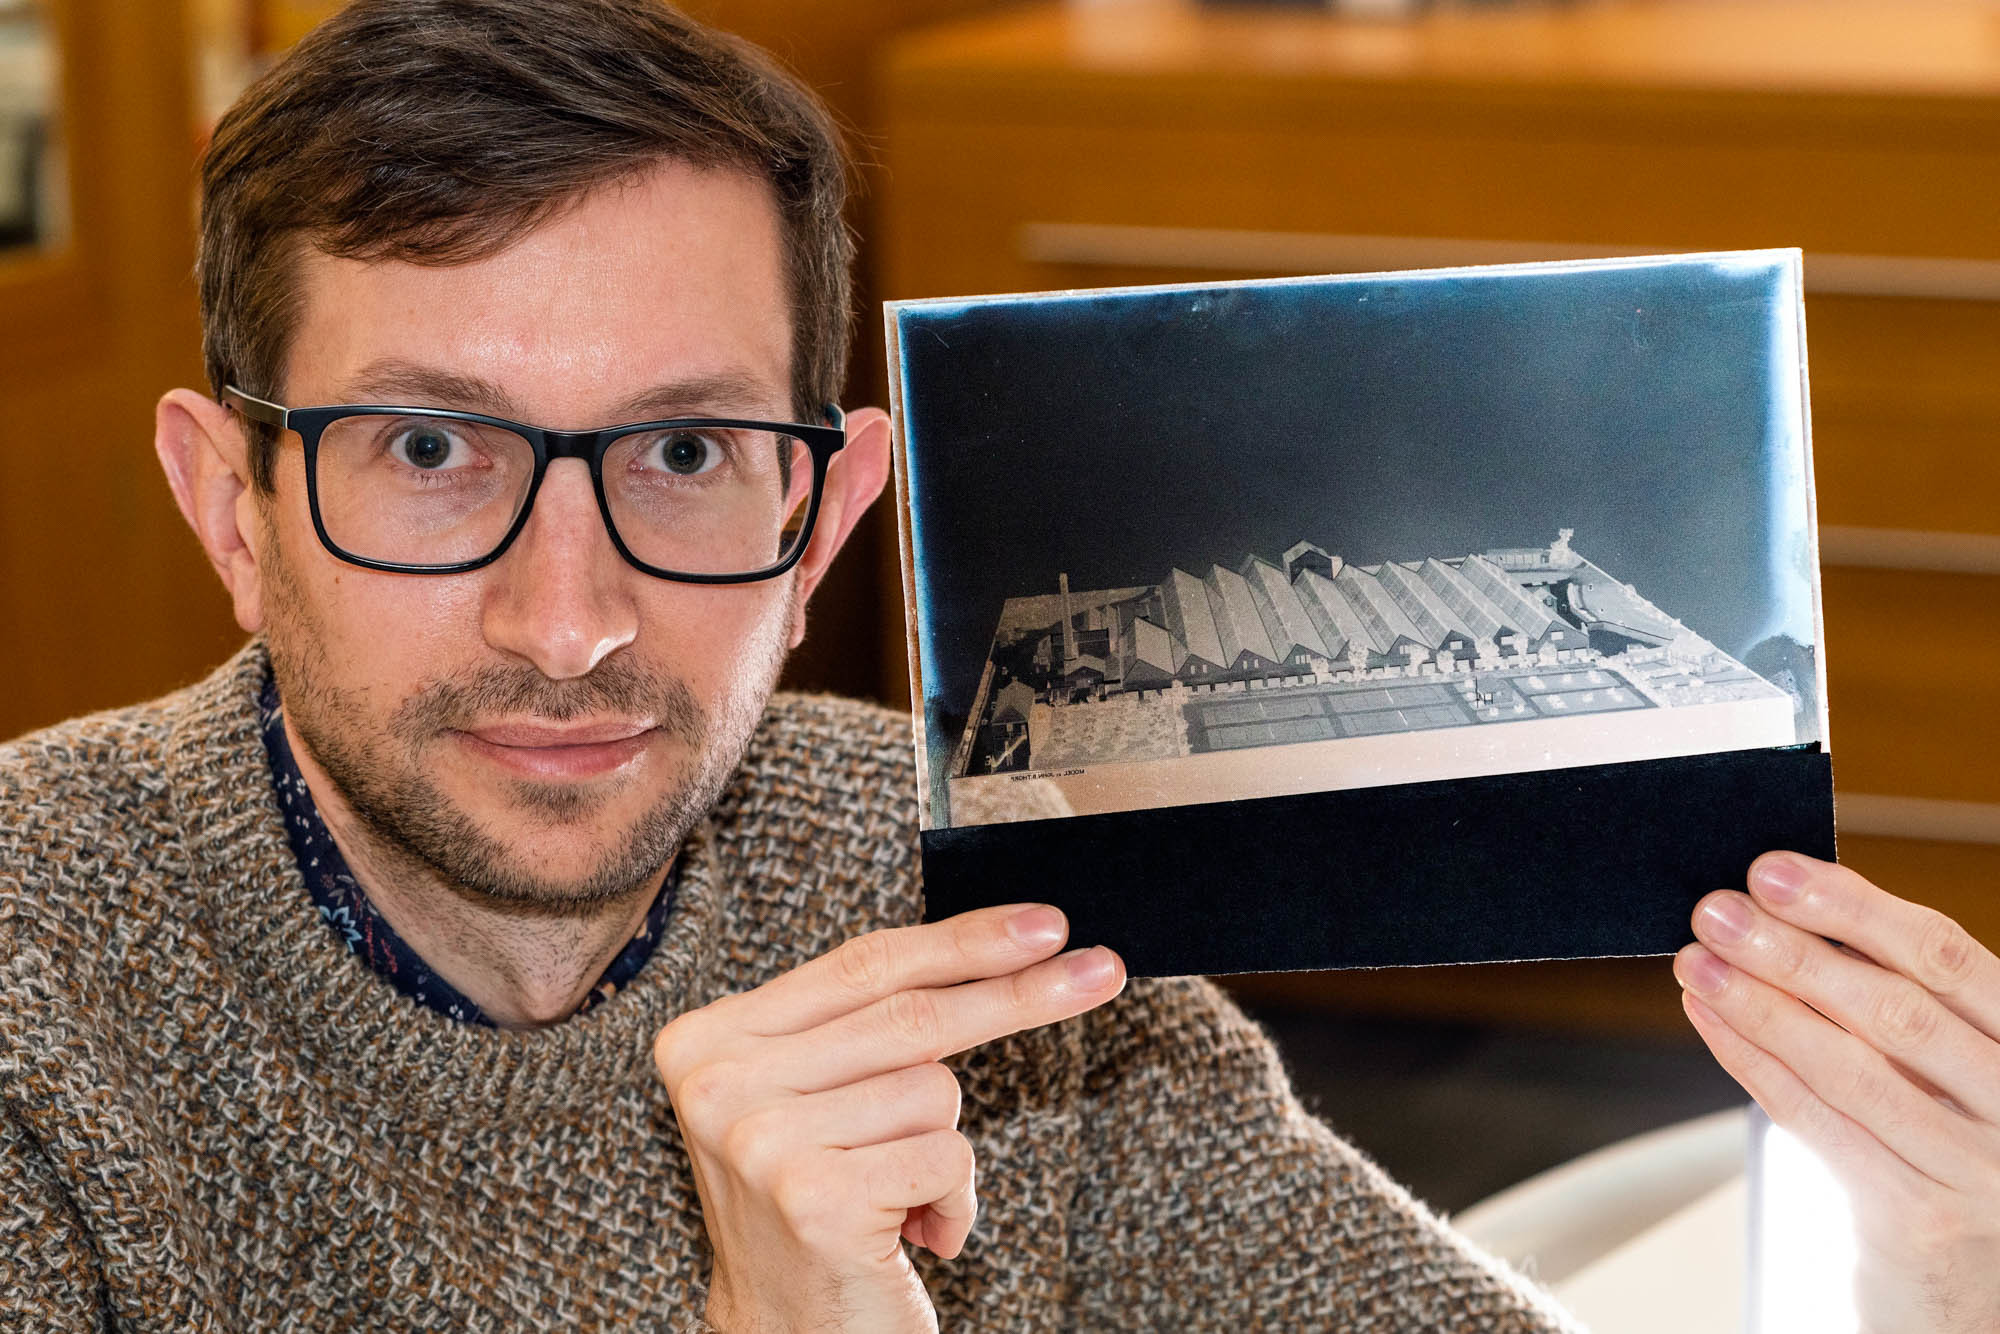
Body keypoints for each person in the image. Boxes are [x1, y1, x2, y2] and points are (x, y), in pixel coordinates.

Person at [0, 2, 1992, 1330]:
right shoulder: (37, 979)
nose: (570, 616)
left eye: (686, 454)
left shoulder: (995, 907)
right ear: (232, 506)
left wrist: (1938, 1275)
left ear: (827, 521)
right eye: (430, 450)